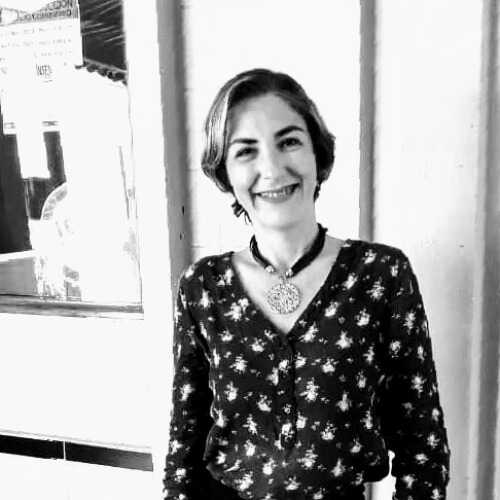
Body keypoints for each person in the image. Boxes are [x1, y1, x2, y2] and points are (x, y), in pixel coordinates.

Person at [163, 68, 450, 500]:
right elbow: (183, 455)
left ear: (317, 152)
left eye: (289, 142)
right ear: (225, 171)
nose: (271, 168)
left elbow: (423, 450)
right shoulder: (203, 289)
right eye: (246, 151)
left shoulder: (380, 275)